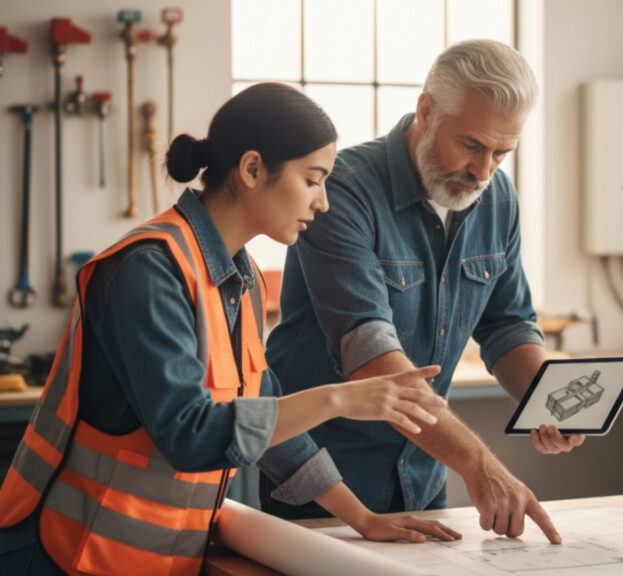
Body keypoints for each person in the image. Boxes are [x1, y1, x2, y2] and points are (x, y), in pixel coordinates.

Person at [0, 83, 460, 576]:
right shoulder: (149, 271)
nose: (323, 202)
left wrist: (363, 518)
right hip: (57, 552)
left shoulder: (239, 279)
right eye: (312, 180)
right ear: (252, 169)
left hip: (140, 560)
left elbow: (272, 428)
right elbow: (190, 433)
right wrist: (341, 398)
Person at [262, 40, 575, 543]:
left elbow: (508, 324)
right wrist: (478, 464)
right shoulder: (341, 191)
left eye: (503, 152)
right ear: (426, 111)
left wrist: (550, 400)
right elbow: (369, 355)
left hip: (424, 479)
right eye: (472, 145)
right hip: (322, 485)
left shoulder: (495, 195)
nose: (483, 170)